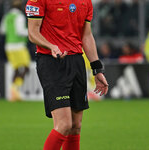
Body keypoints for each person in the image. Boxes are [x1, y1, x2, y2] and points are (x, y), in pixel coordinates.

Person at [25, 0, 109, 150]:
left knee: (76, 126)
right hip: (52, 62)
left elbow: (87, 35)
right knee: (64, 124)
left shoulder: (86, 2)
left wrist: (97, 69)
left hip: (76, 61)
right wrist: (51, 46)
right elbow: (32, 33)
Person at [0, 0, 31, 101]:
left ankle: (13, 90)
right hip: (19, 45)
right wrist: (31, 32)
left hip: (9, 45)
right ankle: (15, 88)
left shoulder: (7, 16)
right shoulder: (20, 16)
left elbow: (2, 30)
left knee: (17, 68)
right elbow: (20, 31)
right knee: (26, 67)